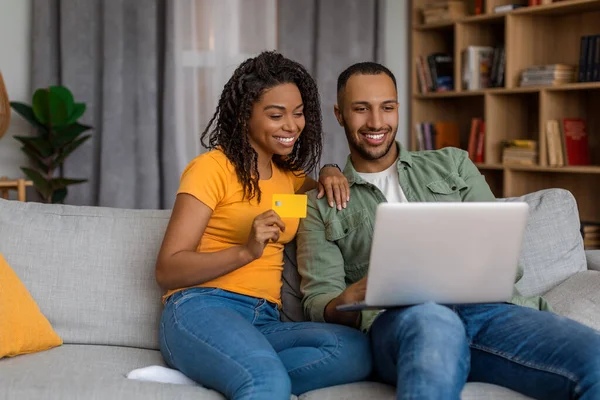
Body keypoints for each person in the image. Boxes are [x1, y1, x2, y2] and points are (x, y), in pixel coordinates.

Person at [296, 61, 600, 400]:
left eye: (387, 107)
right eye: (361, 109)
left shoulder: (453, 164)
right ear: (339, 115)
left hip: (490, 312)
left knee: (594, 361)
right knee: (433, 326)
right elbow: (318, 303)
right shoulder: (318, 204)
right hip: (403, 322)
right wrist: (350, 297)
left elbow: (504, 257)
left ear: (399, 108)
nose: (376, 122)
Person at [154, 52, 371, 400]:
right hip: (202, 307)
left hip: (265, 320)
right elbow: (167, 269)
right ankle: (246, 372)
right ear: (244, 116)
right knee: (268, 383)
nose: (292, 126)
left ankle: (224, 371)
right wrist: (245, 251)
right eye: (276, 115)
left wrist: (331, 169)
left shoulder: (290, 178)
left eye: (298, 114)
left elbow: (323, 191)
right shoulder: (211, 169)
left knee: (356, 351)